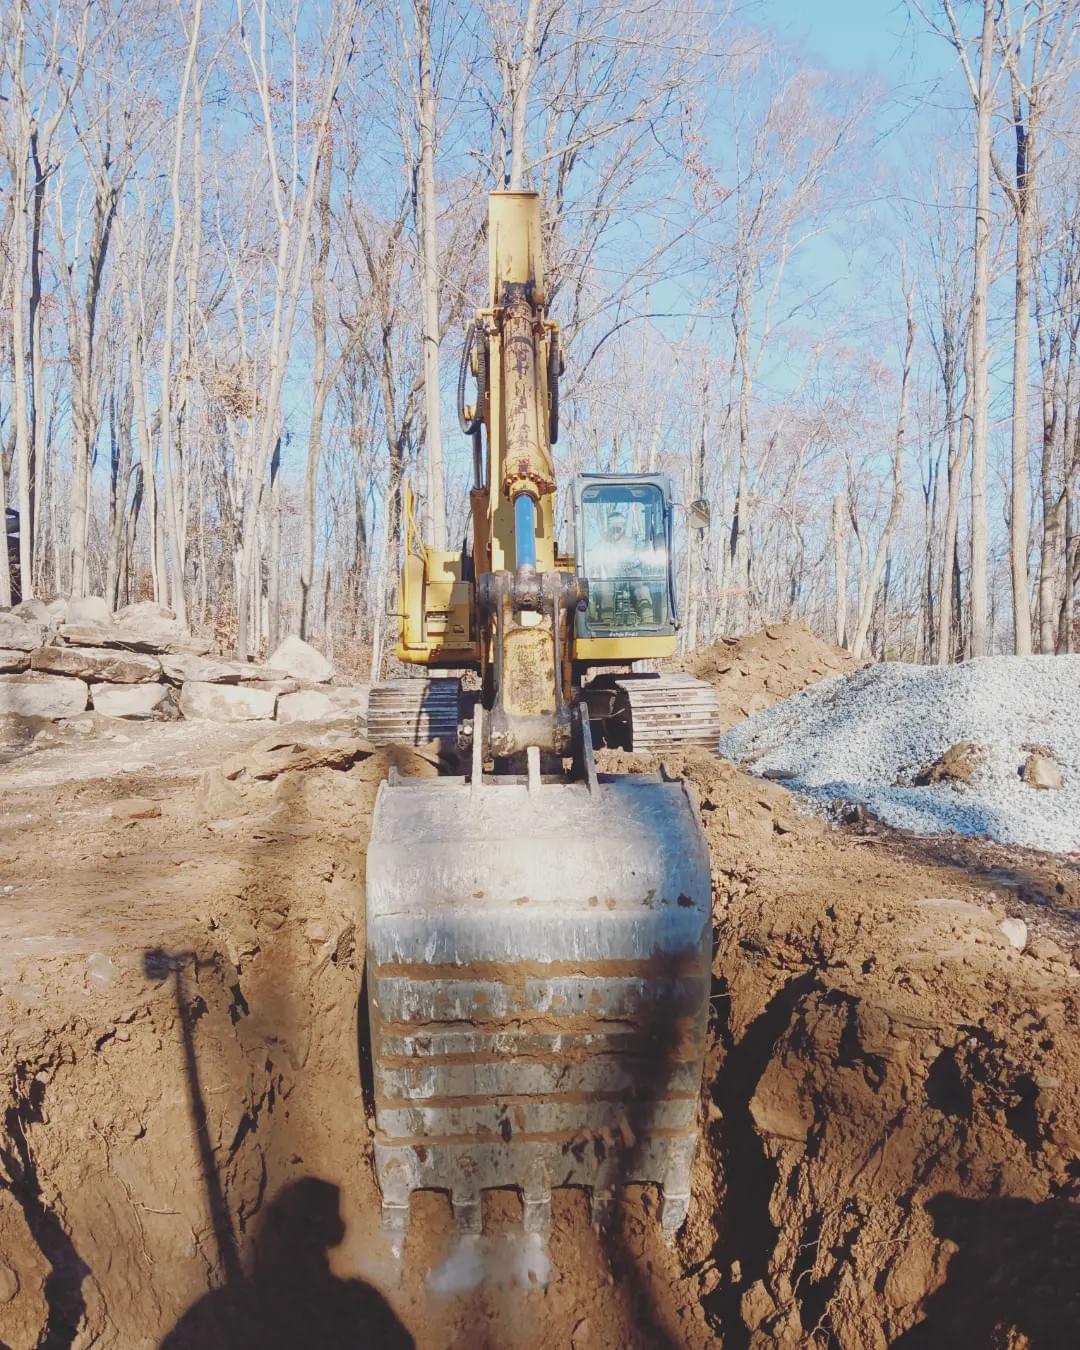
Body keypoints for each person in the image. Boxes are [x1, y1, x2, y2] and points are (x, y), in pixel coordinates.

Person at [590, 506, 655, 626]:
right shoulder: (601, 546)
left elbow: (642, 559)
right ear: (609, 528)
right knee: (605, 585)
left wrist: (637, 562)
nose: (615, 532)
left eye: (618, 529)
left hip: (629, 576)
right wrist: (597, 568)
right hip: (610, 578)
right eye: (613, 529)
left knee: (639, 582)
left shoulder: (633, 544)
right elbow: (593, 563)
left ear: (623, 528)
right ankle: (607, 617)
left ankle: (647, 615)